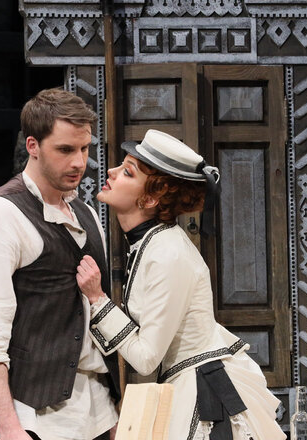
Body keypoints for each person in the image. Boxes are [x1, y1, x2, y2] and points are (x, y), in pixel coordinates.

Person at [76, 129, 286, 440]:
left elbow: (146, 357)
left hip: (202, 394)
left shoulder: (167, 253)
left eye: (128, 172)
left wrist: (98, 300)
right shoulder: (152, 243)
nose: (111, 171)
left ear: (150, 198)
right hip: (183, 384)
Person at [0, 88, 120, 440]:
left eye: (84, 149)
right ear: (33, 145)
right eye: (65, 150)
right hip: (29, 416)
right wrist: (10, 428)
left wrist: (113, 414)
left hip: (95, 413)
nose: (79, 162)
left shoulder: (87, 215)